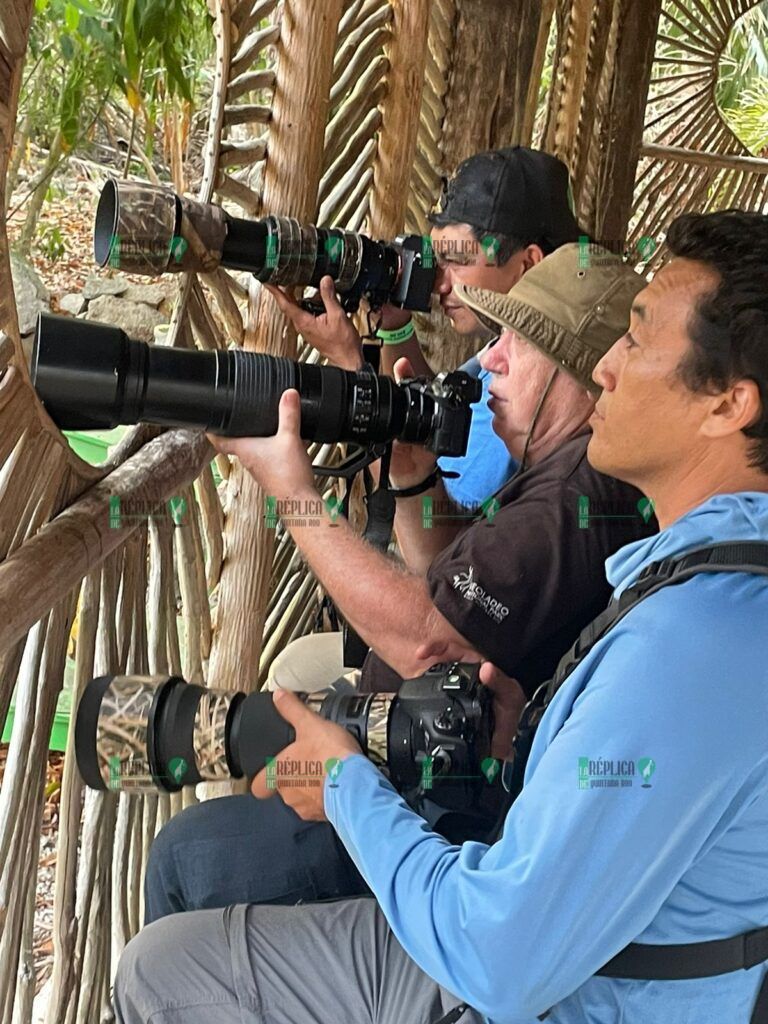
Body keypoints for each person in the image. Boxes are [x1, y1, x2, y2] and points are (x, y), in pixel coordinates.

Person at [116, 208, 768, 1024]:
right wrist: (531, 736)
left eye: (635, 342)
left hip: (546, 982)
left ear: (727, 405)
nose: (608, 368)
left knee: (165, 954)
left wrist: (346, 784)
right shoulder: (714, 583)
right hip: (557, 925)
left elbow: (499, 953)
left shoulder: (688, 634)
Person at [142, 243, 654, 923]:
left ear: (582, 378)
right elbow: (446, 583)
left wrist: (292, 491)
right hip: (421, 749)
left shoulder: (575, 501)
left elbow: (428, 641)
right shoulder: (563, 467)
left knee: (185, 855)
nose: (490, 360)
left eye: (517, 343)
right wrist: (412, 472)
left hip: (444, 811)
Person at [269, 146, 583, 507]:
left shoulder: (532, 386)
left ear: (529, 263)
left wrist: (349, 361)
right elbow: (439, 421)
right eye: (436, 262)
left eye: (457, 261)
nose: (438, 283)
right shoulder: (530, 342)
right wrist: (396, 327)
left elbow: (439, 527)